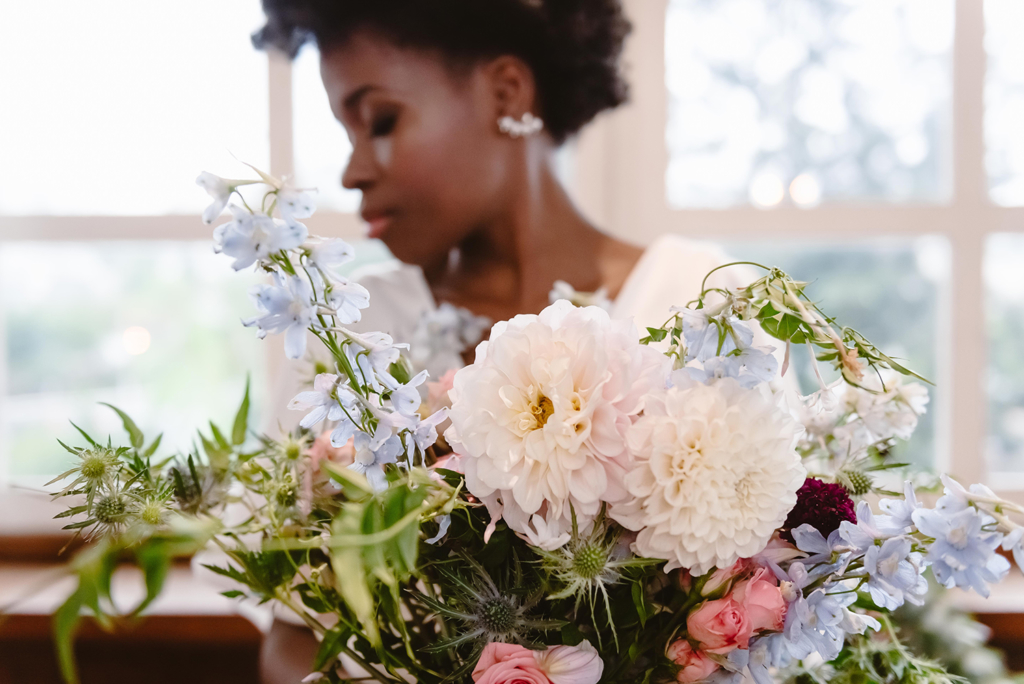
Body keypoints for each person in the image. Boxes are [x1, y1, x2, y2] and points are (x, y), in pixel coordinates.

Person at [250, 1, 753, 680]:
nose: (353, 171)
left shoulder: (702, 303)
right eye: (348, 134)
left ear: (506, 93)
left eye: (381, 122)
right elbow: (293, 640)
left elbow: (759, 612)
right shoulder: (344, 343)